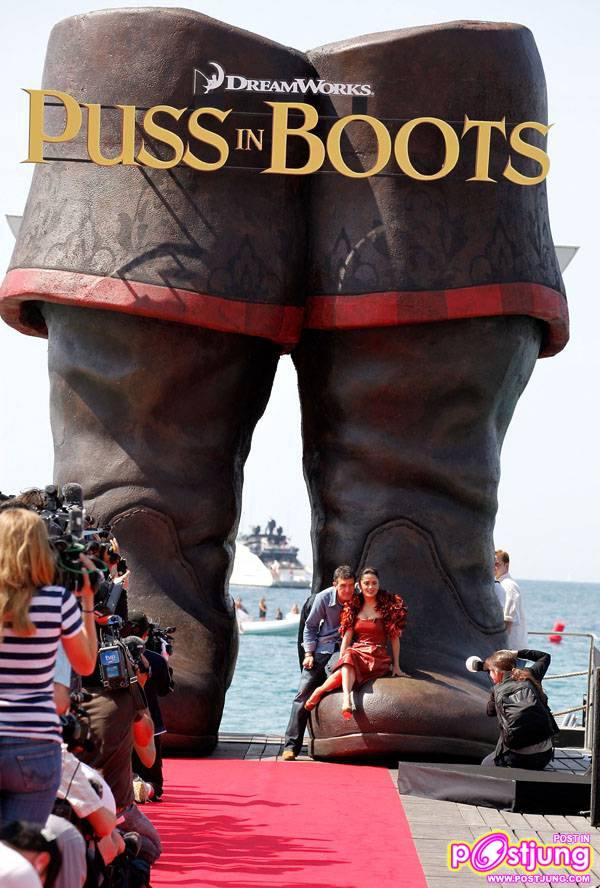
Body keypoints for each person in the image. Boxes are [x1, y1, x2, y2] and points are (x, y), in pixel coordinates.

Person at [0, 509, 97, 826]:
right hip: (35, 742)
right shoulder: (58, 601)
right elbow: (85, 664)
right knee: (23, 847)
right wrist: (87, 602)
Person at [305, 567, 408, 717]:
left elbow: (394, 638)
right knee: (348, 658)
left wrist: (397, 666)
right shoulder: (354, 605)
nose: (370, 587)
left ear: (379, 584)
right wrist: (341, 660)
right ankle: (346, 699)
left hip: (377, 654)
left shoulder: (388, 605)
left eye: (374, 583)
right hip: (357, 651)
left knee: (348, 663)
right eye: (366, 583)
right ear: (360, 585)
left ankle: (320, 690)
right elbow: (347, 637)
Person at [281, 565, 356, 761]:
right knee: (301, 694)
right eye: (343, 586)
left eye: (350, 585)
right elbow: (310, 627)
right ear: (335, 584)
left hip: (342, 650)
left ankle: (337, 740)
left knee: (340, 680)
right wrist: (308, 654)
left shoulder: (357, 599)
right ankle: (291, 746)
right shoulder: (323, 598)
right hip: (321, 648)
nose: (347, 590)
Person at [481, 648, 557, 770]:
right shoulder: (529, 674)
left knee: (485, 764)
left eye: (490, 671)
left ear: (496, 672)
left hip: (517, 759)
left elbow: (490, 712)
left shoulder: (497, 690)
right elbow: (545, 657)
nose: (489, 674)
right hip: (544, 756)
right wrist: (516, 653)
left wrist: (494, 691)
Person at [494, 550, 528, 649]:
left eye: (497, 564)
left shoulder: (509, 586)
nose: (494, 567)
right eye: (492, 564)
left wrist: (500, 647)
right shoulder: (500, 584)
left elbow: (508, 619)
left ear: (506, 565)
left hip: (512, 649)